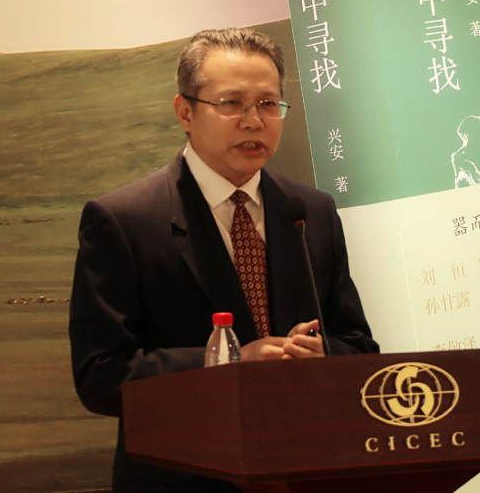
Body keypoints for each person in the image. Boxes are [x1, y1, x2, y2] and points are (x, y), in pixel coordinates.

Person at [69, 28, 378, 492]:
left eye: (268, 104)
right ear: (185, 112)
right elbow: (101, 376)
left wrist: (324, 356)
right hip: (186, 478)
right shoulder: (124, 220)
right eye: (232, 103)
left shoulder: (310, 211)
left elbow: (359, 346)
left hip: (304, 471)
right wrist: (227, 364)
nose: (254, 121)